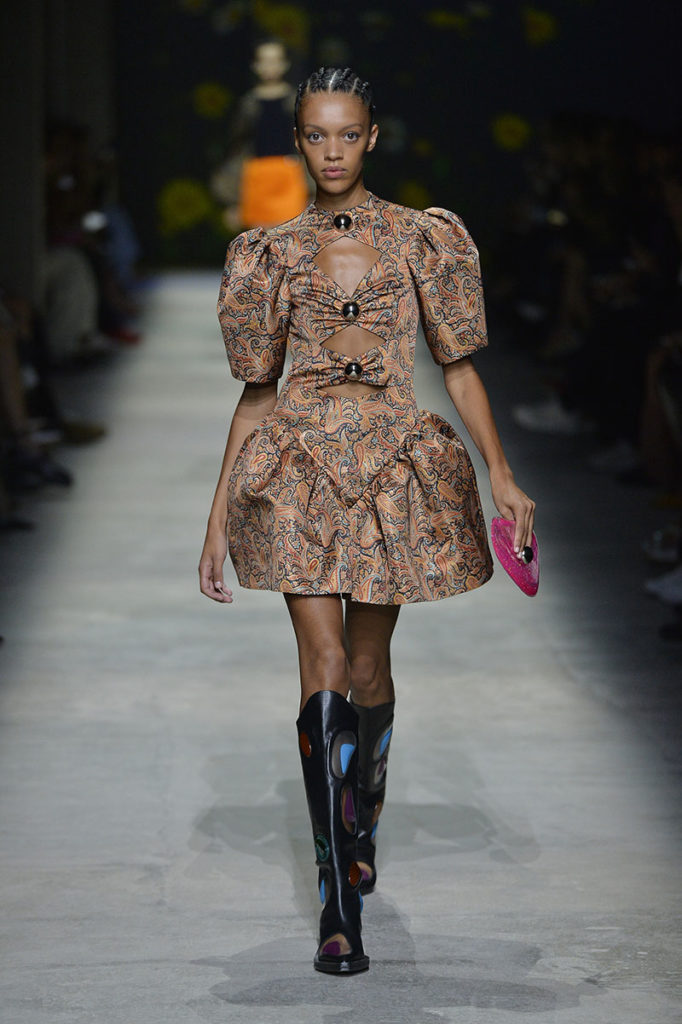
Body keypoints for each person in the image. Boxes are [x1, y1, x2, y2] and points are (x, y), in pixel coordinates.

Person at [199, 67, 535, 975]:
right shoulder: (268, 254)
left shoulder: (425, 239)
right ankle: (335, 900)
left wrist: (503, 474)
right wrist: (219, 514)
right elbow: (255, 392)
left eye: (348, 134)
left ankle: (364, 807)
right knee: (324, 667)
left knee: (369, 669)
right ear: (298, 141)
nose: (334, 151)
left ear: (373, 137)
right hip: (297, 472)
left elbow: (457, 365)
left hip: (393, 471)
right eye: (317, 135)